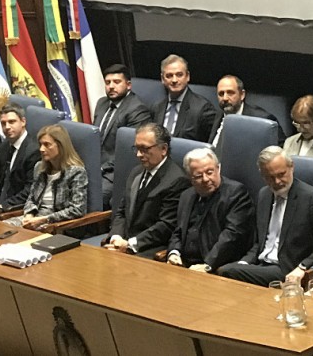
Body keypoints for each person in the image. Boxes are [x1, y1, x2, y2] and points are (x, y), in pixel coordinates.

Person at [218, 146, 313, 285]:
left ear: (292, 167)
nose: (277, 182)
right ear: (262, 176)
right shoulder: (264, 195)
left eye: (281, 174)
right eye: (270, 177)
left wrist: (303, 266)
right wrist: (244, 262)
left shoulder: (312, 198)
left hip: (287, 268)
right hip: (260, 264)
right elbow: (260, 242)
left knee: (226, 272)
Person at [104, 124, 190, 257]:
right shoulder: (136, 172)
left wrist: (130, 244)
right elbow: (122, 211)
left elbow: (166, 226)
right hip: (123, 243)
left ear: (163, 149)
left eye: (144, 149)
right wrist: (116, 236)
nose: (139, 154)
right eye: (137, 148)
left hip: (150, 249)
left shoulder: (176, 180)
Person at [167, 148, 255, 273]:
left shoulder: (235, 193)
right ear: (190, 178)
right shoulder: (187, 196)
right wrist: (174, 252)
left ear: (218, 169)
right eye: (198, 176)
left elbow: (231, 235)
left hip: (214, 267)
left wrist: (208, 264)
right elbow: (178, 231)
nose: (206, 179)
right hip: (184, 265)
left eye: (209, 172)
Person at [3, 124, 88, 229]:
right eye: (40, 144)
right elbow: (31, 198)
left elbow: (77, 209)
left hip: (57, 225)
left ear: (60, 146)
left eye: (47, 145)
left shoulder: (76, 172)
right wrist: (29, 214)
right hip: (35, 218)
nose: (42, 149)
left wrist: (45, 219)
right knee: (2, 228)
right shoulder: (39, 167)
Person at [93, 64, 152, 209]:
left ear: (128, 85)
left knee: (93, 196)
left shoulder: (137, 109)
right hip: (94, 166)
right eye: (108, 83)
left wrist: (101, 168)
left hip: (115, 171)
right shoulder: (101, 103)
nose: (111, 86)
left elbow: (128, 152)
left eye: (117, 82)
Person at [0, 103, 40, 218]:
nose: (7, 127)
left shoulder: (34, 151)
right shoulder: (4, 146)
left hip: (15, 210)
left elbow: (29, 191)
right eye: (3, 123)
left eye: (12, 122)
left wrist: (1, 208)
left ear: (23, 122)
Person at [150, 55, 218, 142]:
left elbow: (213, 143)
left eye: (179, 75)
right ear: (162, 79)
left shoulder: (203, 108)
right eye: (169, 76)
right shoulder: (156, 107)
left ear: (187, 76)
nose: (174, 80)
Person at [208, 75, 286, 148]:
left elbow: (280, 152)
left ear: (242, 95)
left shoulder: (262, 120)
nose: (225, 98)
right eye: (221, 94)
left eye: (230, 93)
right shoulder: (218, 116)